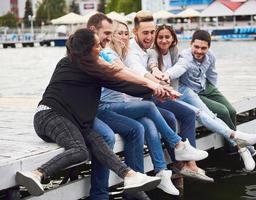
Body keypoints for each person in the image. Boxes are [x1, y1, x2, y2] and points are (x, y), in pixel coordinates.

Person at [15, 28, 174, 197]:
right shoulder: (74, 65)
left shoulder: (88, 67)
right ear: (87, 49)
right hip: (49, 116)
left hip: (72, 120)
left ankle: (130, 175)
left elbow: (123, 83)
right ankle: (36, 174)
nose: (101, 48)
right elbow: (122, 83)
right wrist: (154, 89)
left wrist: (156, 90)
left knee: (98, 140)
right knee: (79, 150)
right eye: (97, 45)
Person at [97, 20, 211, 198]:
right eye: (119, 33)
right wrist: (158, 87)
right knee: (150, 107)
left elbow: (134, 77)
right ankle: (177, 144)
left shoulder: (121, 54)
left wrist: (158, 88)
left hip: (123, 105)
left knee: (147, 125)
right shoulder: (109, 55)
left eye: (126, 33)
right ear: (110, 36)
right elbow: (130, 76)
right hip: (108, 107)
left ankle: (158, 172)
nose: (123, 37)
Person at [148, 27, 256, 171]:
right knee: (203, 114)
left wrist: (212, 89)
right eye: (160, 37)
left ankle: (240, 145)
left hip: (189, 89)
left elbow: (207, 72)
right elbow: (178, 67)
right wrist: (165, 75)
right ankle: (240, 144)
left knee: (218, 112)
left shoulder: (174, 51)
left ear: (173, 39)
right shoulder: (157, 53)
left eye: (167, 37)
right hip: (174, 92)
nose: (164, 40)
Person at [124, 10, 214, 181]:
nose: (150, 36)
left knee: (187, 113)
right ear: (135, 31)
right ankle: (180, 164)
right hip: (140, 99)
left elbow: (154, 64)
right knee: (170, 118)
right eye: (145, 33)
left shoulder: (149, 47)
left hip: (150, 96)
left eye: (152, 32)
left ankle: (189, 164)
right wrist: (161, 86)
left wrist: (162, 82)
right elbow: (140, 72)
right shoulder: (132, 51)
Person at [86, 13, 149, 200]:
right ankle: (100, 195)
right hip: (86, 112)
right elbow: (119, 78)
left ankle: (135, 187)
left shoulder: (102, 51)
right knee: (106, 136)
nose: (111, 37)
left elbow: (122, 73)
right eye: (108, 33)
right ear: (92, 31)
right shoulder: (84, 52)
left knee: (137, 128)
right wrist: (151, 87)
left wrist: (153, 85)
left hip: (94, 109)